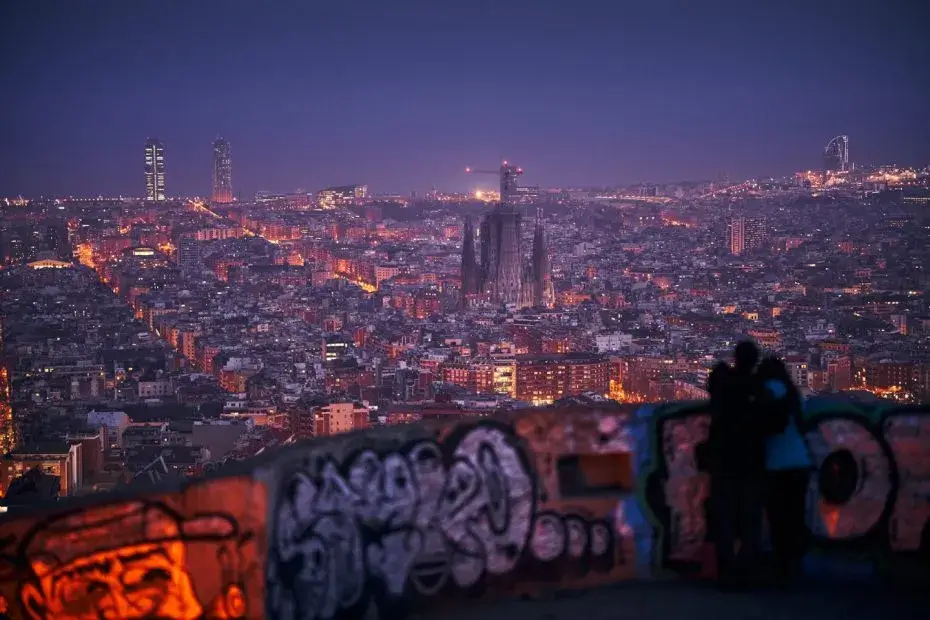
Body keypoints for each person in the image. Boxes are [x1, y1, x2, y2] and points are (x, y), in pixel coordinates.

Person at [706, 340, 767, 588]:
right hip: (751, 463)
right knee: (750, 521)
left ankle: (726, 573)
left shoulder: (725, 383)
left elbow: (713, 385)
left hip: (724, 461)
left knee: (725, 519)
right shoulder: (757, 389)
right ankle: (748, 572)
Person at [757, 355, 812, 586]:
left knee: (778, 518)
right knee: (795, 517)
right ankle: (796, 567)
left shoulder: (764, 392)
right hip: (799, 462)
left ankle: (781, 567)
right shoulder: (792, 394)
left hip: (775, 464)